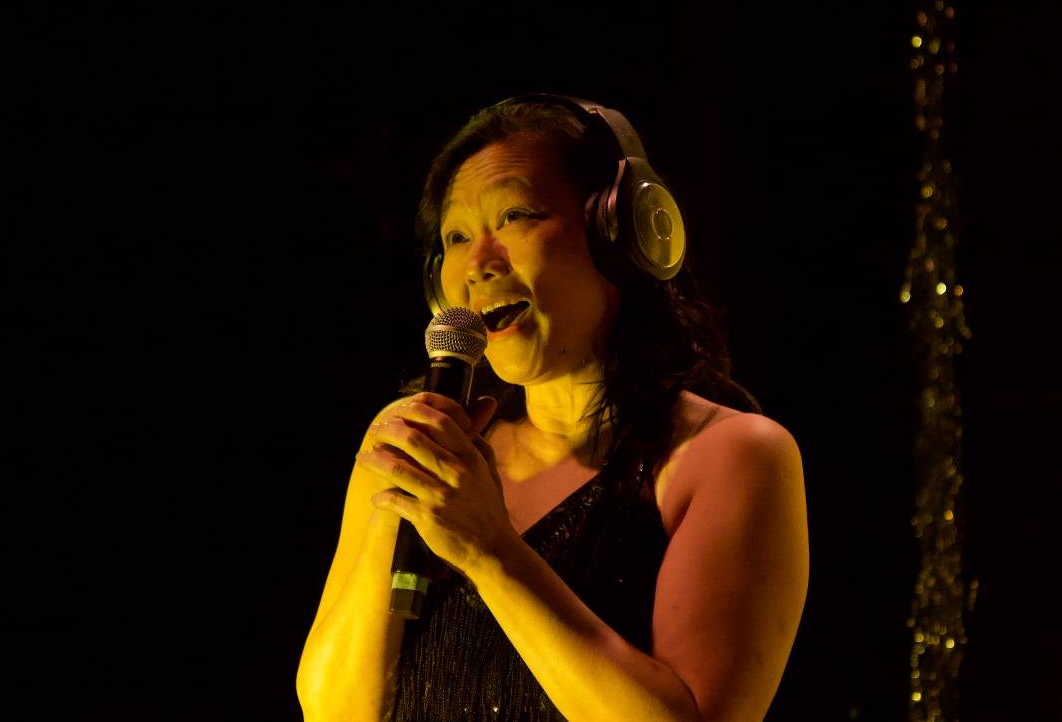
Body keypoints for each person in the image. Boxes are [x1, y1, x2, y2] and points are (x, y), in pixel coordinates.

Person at [296, 95, 808, 721]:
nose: (479, 263)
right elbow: (335, 711)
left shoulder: (732, 455)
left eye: (515, 216)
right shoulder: (412, 439)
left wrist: (490, 549)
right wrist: (395, 508)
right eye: (457, 236)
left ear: (619, 234)